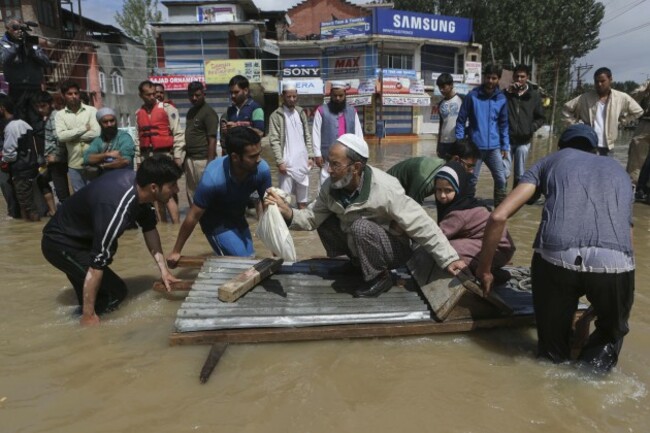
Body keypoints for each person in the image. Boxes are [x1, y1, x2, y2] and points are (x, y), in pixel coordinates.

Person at [476, 124, 635, 372]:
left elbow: (498, 216)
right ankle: (589, 380)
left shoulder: (549, 161)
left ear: (560, 146)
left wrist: (485, 270)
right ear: (595, 150)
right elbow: (627, 236)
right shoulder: (619, 171)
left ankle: (553, 371)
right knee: (610, 332)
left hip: (555, 257)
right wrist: (590, 316)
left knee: (552, 354)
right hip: (616, 261)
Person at [264, 134, 467, 298]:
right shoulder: (330, 188)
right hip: (360, 243)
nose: (329, 170)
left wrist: (449, 259)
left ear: (356, 168)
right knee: (326, 219)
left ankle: (380, 277)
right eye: (328, 163)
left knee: (360, 226)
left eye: (335, 165)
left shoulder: (385, 188)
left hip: (394, 249)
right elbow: (311, 219)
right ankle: (358, 265)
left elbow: (421, 223)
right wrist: (287, 212)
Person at [41, 154, 183, 326]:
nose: (177, 190)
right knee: (116, 293)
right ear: (154, 187)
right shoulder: (117, 207)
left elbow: (149, 228)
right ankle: (84, 325)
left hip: (81, 239)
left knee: (95, 296)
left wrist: (164, 271)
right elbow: (97, 262)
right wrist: (89, 315)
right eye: (172, 185)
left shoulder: (140, 189)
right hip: (61, 244)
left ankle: (76, 322)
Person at [167, 127, 271, 262]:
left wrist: (273, 245)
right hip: (215, 222)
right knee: (241, 259)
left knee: (250, 256)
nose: (258, 160)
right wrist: (176, 251)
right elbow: (193, 216)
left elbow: (268, 205)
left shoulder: (262, 170)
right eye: (252, 156)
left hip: (238, 216)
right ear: (235, 157)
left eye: (259, 154)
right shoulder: (213, 178)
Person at [433, 161, 515, 279]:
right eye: (438, 190)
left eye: (448, 190)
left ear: (459, 188)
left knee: (448, 248)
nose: (442, 195)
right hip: (496, 248)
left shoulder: (458, 214)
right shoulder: (463, 203)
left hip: (498, 250)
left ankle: (490, 273)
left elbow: (437, 237)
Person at [456, 64, 510, 207]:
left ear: (498, 79)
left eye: (494, 78)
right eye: (488, 77)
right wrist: (461, 143)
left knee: (501, 178)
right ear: (484, 77)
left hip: (494, 148)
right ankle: (467, 206)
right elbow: (461, 121)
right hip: (475, 148)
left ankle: (500, 209)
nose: (490, 81)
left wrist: (505, 145)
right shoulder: (472, 96)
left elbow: (504, 124)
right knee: (472, 179)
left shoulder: (502, 99)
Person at [562, 67, 643, 156]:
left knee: (606, 169)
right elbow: (566, 109)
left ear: (610, 79)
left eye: (602, 81)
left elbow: (638, 111)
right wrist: (575, 125)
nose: (599, 84)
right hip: (588, 143)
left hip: (608, 146)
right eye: (596, 82)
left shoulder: (621, 97)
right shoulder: (585, 98)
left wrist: (621, 121)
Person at [135, 80, 184, 223]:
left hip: (164, 155)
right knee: (154, 195)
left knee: (167, 192)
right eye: (148, 94)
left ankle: (176, 226)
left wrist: (177, 156)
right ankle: (163, 227)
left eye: (153, 94)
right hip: (147, 156)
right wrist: (138, 161)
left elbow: (178, 134)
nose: (152, 97)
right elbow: (138, 139)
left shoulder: (168, 109)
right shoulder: (139, 113)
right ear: (141, 95)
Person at [0, 94, 51, 221]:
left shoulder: (10, 128)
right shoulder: (24, 124)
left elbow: (10, 152)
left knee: (27, 206)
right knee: (29, 203)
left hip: (20, 170)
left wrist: (3, 161)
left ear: (2, 108)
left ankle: (32, 229)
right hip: (31, 167)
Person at [387, 138, 480, 205]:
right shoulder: (427, 179)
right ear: (456, 159)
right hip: (387, 193)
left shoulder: (446, 174)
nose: (471, 171)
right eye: (469, 166)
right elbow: (411, 211)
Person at [268, 82, 314, 209]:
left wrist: (310, 156)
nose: (292, 99)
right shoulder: (275, 116)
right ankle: (285, 225)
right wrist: (279, 161)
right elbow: (274, 140)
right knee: (284, 198)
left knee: (303, 199)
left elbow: (307, 135)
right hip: (286, 162)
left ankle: (302, 225)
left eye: (294, 96)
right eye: (289, 97)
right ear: (283, 96)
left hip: (302, 161)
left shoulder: (300, 112)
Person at [0, 16, 51, 127]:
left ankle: (37, 142)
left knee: (36, 120)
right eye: (15, 28)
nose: (18, 30)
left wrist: (32, 52)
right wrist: (16, 45)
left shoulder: (31, 42)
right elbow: (4, 60)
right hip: (17, 89)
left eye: (20, 27)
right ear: (7, 28)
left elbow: (46, 62)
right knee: (19, 121)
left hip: (34, 88)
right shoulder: (3, 43)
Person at [312, 81, 363, 186]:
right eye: (335, 95)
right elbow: (316, 133)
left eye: (341, 95)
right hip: (328, 156)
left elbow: (359, 134)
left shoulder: (352, 111)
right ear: (330, 94)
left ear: (345, 95)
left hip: (348, 156)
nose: (338, 98)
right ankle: (324, 202)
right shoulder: (321, 111)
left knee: (347, 183)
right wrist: (317, 154)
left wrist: (360, 153)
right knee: (325, 183)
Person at [55, 80, 100, 192]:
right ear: (64, 95)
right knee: (79, 197)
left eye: (76, 93)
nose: (73, 96)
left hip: (93, 161)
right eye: (69, 94)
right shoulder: (60, 115)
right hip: (74, 164)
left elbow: (96, 133)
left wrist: (71, 135)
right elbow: (61, 137)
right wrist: (83, 129)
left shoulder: (91, 111)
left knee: (95, 193)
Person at [505, 64, 546, 188]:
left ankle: (515, 202)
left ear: (527, 77)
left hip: (524, 141)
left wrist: (530, 128)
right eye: (517, 76)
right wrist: (508, 92)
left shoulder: (534, 95)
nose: (519, 79)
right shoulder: (506, 94)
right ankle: (500, 202)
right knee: (503, 172)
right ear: (513, 77)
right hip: (507, 139)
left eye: (522, 76)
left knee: (520, 173)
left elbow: (541, 118)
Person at [184, 81, 218, 206]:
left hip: (203, 160)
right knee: (191, 193)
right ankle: (196, 223)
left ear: (204, 94)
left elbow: (212, 139)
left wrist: (210, 163)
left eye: (197, 95)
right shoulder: (190, 112)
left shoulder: (209, 113)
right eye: (191, 95)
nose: (194, 98)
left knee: (206, 193)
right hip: (190, 159)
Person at [35, 90, 69, 204]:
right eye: (38, 107)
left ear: (50, 104)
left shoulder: (54, 117)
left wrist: (57, 157)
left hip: (57, 160)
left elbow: (60, 138)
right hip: (51, 160)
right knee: (43, 181)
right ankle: (55, 213)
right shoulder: (48, 117)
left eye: (43, 106)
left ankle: (66, 217)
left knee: (62, 193)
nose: (40, 109)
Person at [83, 107, 135, 175]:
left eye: (112, 121)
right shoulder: (98, 140)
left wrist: (101, 165)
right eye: (105, 122)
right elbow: (87, 158)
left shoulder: (124, 137)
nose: (109, 124)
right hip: (105, 180)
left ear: (116, 121)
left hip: (123, 178)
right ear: (100, 124)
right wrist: (107, 154)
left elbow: (125, 161)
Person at [436, 73, 463, 159]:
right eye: (439, 88)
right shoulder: (440, 104)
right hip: (444, 143)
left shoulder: (462, 99)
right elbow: (441, 125)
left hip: (458, 142)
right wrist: (438, 145)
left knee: (458, 168)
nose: (441, 90)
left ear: (451, 85)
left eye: (443, 87)